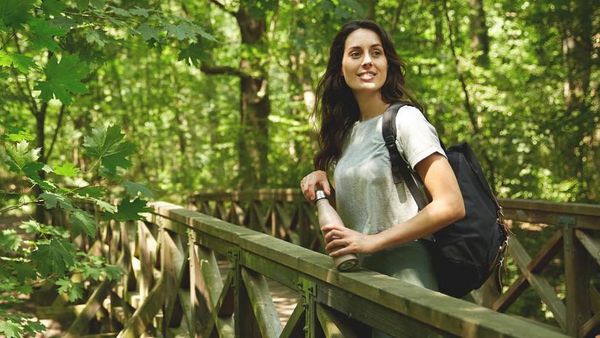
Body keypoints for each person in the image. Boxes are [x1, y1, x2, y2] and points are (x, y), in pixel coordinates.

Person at [300, 20, 466, 293]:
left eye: (376, 53)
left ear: (387, 63)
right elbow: (363, 205)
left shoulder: (406, 120)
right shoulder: (347, 133)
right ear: (341, 69)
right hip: (357, 273)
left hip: (407, 272)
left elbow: (451, 204)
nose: (367, 61)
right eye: (356, 54)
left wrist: (372, 242)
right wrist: (324, 178)